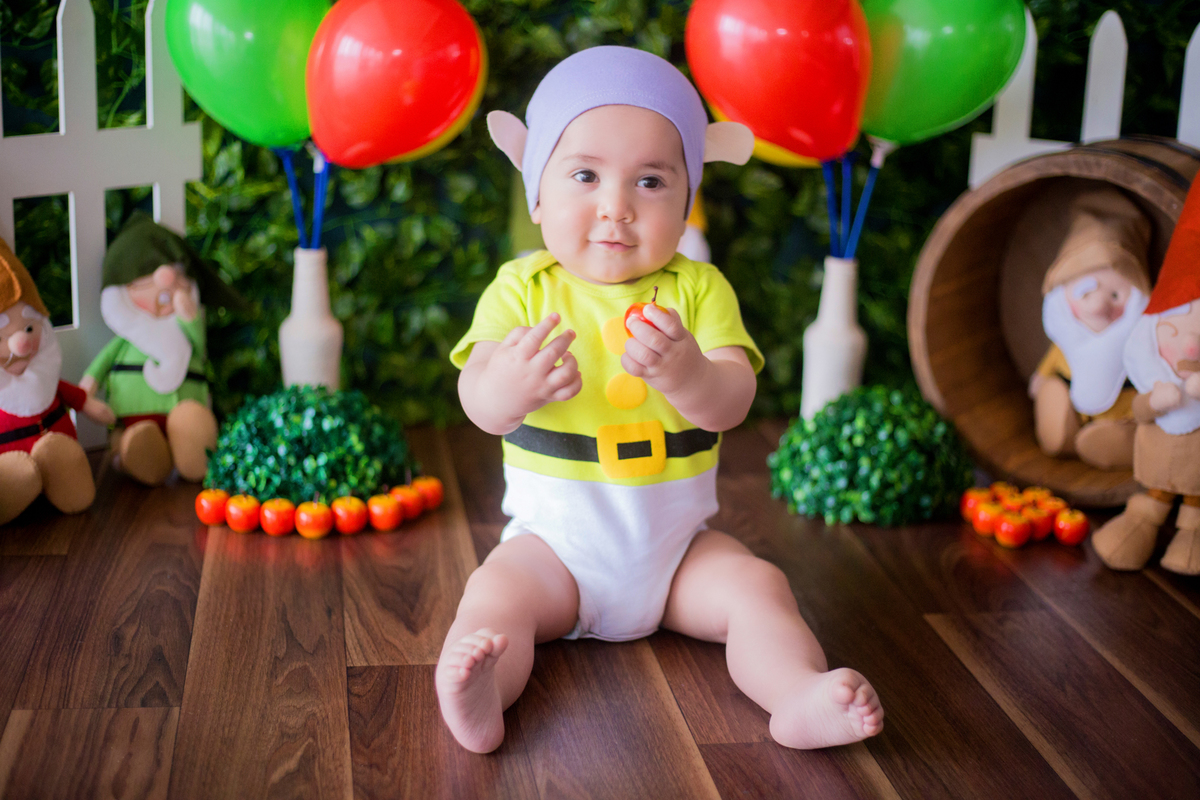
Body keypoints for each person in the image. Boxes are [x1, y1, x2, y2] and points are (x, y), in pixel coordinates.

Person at [437, 46, 884, 754]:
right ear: (539, 191)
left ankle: (795, 691)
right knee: (495, 604)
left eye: (650, 181)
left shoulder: (696, 290)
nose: (616, 207)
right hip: (551, 552)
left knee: (757, 587)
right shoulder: (522, 287)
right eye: (584, 174)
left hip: (677, 557)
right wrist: (507, 388)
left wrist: (687, 375)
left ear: (685, 201)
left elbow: (732, 400)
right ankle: (484, 692)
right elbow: (478, 400)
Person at [81, 213, 240, 485]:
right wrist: (85, 398)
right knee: (132, 441)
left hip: (183, 411)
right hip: (131, 422)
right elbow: (97, 370)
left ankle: (194, 452)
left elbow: (198, 345)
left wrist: (188, 314)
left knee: (190, 417)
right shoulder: (125, 340)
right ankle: (139, 454)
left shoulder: (185, 332)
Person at [1092, 179, 1200, 576]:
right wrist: (1157, 400)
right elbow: (1141, 410)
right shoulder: (1151, 370)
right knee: (1150, 499)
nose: (1191, 347)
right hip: (1154, 470)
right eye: (1178, 329)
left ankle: (1193, 533)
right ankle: (1142, 520)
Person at [1030, 187, 1151, 468]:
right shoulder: (1067, 336)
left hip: (1122, 411)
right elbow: (1054, 357)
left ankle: (1118, 441)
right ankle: (1059, 426)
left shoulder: (1136, 343)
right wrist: (1041, 376)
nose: (1098, 306)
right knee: (1053, 392)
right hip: (1073, 401)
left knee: (1122, 429)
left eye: (1115, 295)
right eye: (1086, 292)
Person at [0, 236, 115, 524]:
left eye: (29, 327)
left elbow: (76, 397)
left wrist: (93, 405)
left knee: (60, 454)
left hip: (58, 452)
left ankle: (68, 485)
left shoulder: (46, 380)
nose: (21, 341)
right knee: (17, 475)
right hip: (11, 468)